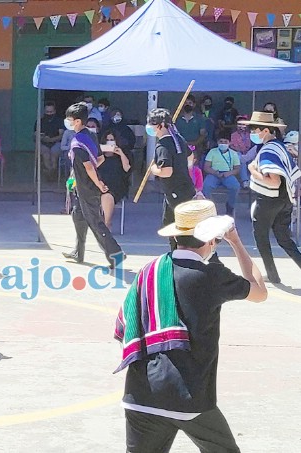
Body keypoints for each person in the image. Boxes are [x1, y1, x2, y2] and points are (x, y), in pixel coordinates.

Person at [115, 199, 267, 453]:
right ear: (211, 240)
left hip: (140, 393)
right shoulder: (211, 276)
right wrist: (237, 243)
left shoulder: (149, 271)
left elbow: (125, 324)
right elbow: (260, 292)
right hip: (188, 394)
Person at [239, 112, 301, 284]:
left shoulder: (268, 150)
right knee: (285, 239)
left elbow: (273, 182)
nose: (252, 134)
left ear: (265, 130)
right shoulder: (279, 146)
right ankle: (273, 274)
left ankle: (272, 275)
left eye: (254, 130)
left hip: (269, 199)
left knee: (261, 237)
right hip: (285, 199)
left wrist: (253, 170)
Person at [62, 102, 123, 267]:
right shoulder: (90, 135)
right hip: (81, 185)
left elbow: (89, 167)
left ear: (77, 122)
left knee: (95, 222)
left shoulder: (77, 144)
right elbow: (100, 158)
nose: (67, 122)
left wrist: (98, 183)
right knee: (78, 216)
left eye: (69, 119)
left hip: (87, 186)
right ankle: (78, 251)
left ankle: (115, 254)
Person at [148, 108, 196, 251]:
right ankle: (177, 253)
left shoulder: (162, 145)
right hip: (184, 188)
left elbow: (167, 171)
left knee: (178, 227)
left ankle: (180, 255)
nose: (150, 128)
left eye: (152, 124)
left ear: (160, 126)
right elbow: (190, 157)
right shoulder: (179, 139)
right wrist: (184, 170)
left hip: (175, 191)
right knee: (171, 223)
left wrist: (154, 170)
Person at [97, 131, 132, 230]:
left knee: (107, 196)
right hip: (99, 184)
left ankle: (107, 223)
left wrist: (120, 153)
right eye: (107, 140)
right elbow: (93, 167)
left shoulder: (121, 155)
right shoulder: (99, 155)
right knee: (103, 194)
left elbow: (127, 168)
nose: (109, 142)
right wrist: (102, 154)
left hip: (116, 185)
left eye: (111, 140)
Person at [202, 131, 240, 216]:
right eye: (221, 142)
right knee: (206, 185)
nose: (223, 144)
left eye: (225, 142)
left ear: (229, 143)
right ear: (217, 142)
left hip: (228, 175)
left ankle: (230, 206)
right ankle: (209, 207)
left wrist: (229, 173)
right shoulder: (212, 151)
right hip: (213, 174)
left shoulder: (233, 154)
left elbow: (237, 169)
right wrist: (215, 173)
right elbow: (206, 167)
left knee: (235, 186)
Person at [36, 101, 65, 181]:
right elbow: (35, 134)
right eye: (47, 112)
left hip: (56, 143)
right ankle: (51, 172)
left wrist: (51, 139)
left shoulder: (59, 121)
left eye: (51, 112)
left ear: (54, 111)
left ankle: (51, 172)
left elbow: (61, 135)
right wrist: (42, 137)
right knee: (46, 155)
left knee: (54, 156)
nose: (49, 113)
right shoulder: (40, 121)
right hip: (43, 143)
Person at [175, 97, 207, 162]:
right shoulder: (176, 118)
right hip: (179, 148)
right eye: (186, 103)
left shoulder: (199, 118)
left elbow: (203, 134)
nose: (187, 105)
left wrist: (193, 143)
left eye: (190, 103)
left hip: (196, 148)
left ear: (194, 104)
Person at [230, 115, 253, 185]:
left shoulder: (250, 135)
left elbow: (250, 146)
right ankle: (245, 180)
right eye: (239, 124)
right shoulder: (233, 135)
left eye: (243, 124)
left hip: (247, 153)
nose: (241, 126)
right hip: (237, 153)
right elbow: (232, 146)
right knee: (241, 159)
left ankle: (252, 180)